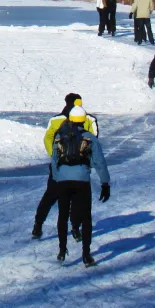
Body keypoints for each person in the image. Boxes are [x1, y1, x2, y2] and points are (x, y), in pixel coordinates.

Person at [51, 101, 111, 267]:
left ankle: (62, 250)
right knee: (85, 217)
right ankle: (86, 254)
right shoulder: (89, 138)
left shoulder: (59, 136)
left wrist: (57, 179)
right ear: (84, 120)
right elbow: (99, 162)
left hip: (63, 180)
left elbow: (54, 160)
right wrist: (105, 183)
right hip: (82, 181)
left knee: (62, 215)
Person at [33, 93, 99, 240]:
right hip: (80, 167)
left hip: (59, 166)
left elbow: (47, 138)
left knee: (51, 195)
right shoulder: (88, 119)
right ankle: (75, 228)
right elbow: (93, 138)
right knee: (77, 197)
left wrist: (55, 156)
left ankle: (38, 225)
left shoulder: (56, 120)